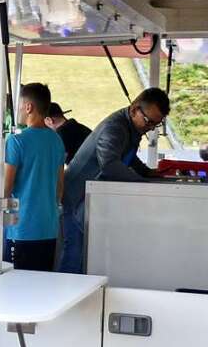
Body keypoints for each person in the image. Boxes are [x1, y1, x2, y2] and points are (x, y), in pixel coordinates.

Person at [59, 88, 170, 274]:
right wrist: (140, 182)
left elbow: (126, 155)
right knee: (75, 254)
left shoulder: (131, 126)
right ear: (135, 110)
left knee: (86, 253)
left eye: (156, 124)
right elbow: (110, 164)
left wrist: (145, 172)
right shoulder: (115, 128)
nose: (150, 127)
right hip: (76, 197)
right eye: (149, 121)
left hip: (91, 198)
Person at [3, 84, 65, 272]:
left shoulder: (16, 141)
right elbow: (59, 187)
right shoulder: (56, 140)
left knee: (15, 291)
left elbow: (6, 190)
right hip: (48, 228)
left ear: (28, 107)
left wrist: (5, 224)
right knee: (41, 290)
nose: (17, 109)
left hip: (21, 230)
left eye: (19, 104)